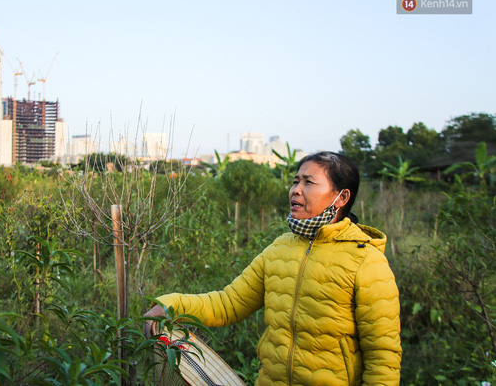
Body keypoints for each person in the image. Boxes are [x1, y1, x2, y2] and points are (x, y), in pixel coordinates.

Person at [144, 151, 402, 386]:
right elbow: (228, 304)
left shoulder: (366, 261)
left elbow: (383, 358)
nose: (296, 191)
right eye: (295, 181)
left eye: (308, 182)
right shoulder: (279, 249)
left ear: (341, 197)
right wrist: (170, 304)